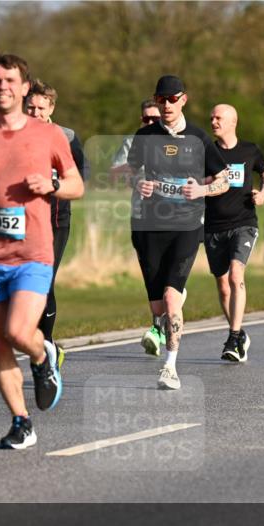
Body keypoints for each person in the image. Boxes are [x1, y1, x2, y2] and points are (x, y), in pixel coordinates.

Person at [0, 52, 83, 449]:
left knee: (18, 331)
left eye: (10, 80)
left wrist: (53, 186)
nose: (2, 86)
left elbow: (76, 185)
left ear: (25, 87)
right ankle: (21, 421)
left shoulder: (49, 135)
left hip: (33, 254)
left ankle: (43, 357)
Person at [127, 75, 228, 390]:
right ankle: (172, 299)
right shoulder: (145, 137)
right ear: (156, 101)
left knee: (171, 300)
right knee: (158, 307)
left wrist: (202, 190)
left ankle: (170, 366)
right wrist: (137, 183)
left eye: (173, 99)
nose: (167, 105)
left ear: (184, 99)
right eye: (162, 99)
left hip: (186, 225)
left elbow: (223, 179)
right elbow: (129, 173)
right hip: (151, 227)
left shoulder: (199, 138)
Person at [24, 79, 88, 362]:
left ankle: (48, 346)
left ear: (51, 107)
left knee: (45, 282)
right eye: (31, 107)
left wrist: (54, 183)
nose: (35, 113)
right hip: (23, 219)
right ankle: (38, 342)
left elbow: (80, 179)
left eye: (40, 108)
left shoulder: (67, 137)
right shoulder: (15, 134)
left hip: (56, 218)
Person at [206, 104, 264, 362]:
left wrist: (263, 193)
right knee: (223, 287)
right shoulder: (207, 152)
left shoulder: (250, 150)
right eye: (211, 118)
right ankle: (239, 332)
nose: (213, 122)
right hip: (213, 227)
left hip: (244, 222)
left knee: (235, 275)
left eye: (218, 118)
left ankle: (233, 338)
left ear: (233, 121)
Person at [109, 100, 167, 356]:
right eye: (146, 119)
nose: (151, 123)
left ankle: (161, 325)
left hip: (175, 217)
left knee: (173, 277)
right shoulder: (135, 141)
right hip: (141, 216)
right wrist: (134, 178)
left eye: (155, 118)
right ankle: (159, 327)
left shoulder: (179, 140)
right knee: (152, 274)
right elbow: (114, 173)